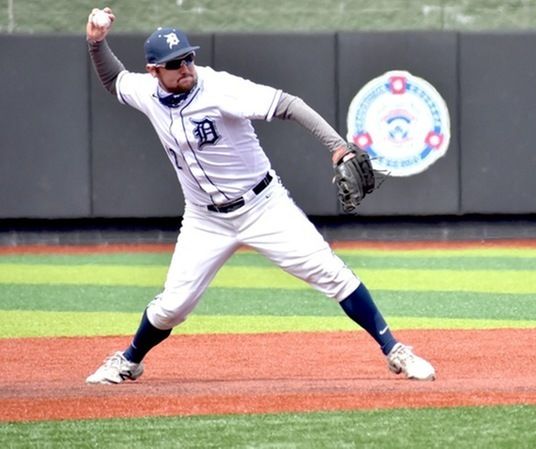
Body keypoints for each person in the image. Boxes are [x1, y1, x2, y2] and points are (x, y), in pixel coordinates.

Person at [84, 7, 435, 384]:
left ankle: (395, 350)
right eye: (174, 64)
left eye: (188, 58)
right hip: (205, 218)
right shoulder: (146, 92)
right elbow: (114, 79)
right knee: (172, 307)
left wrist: (336, 146)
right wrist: (96, 41)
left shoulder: (220, 88)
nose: (185, 67)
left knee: (332, 274)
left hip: (263, 207)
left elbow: (289, 104)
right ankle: (129, 359)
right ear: (155, 71)